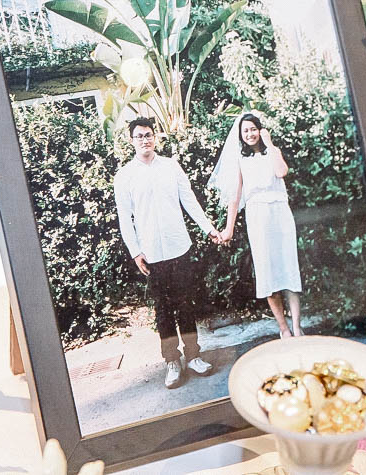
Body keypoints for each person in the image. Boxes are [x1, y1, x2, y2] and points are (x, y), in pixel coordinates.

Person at [114, 117, 223, 389]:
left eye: (148, 135)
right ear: (131, 140)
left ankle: (193, 356)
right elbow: (125, 219)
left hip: (178, 247)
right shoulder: (125, 176)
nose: (145, 140)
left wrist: (209, 229)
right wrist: (136, 252)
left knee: (186, 305)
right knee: (163, 310)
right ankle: (172, 361)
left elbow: (189, 201)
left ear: (155, 137)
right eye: (139, 136)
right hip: (151, 254)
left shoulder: (171, 166)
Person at [208, 112, 304, 338]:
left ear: (260, 130)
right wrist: (229, 229)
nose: (250, 134)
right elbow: (235, 197)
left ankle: (297, 327)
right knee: (267, 272)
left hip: (281, 213)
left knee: (289, 269)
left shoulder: (273, 151)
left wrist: (269, 143)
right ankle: (284, 329)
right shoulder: (240, 160)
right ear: (240, 135)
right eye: (245, 131)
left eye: (253, 129)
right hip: (258, 217)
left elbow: (281, 171)